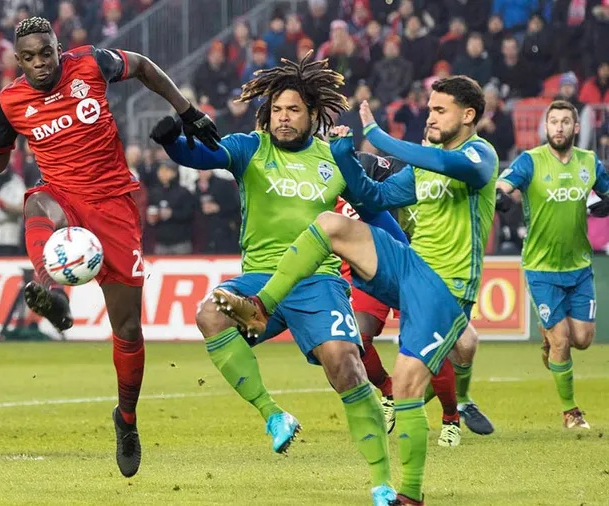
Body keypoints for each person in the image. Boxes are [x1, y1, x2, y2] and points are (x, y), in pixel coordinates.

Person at [0, 17, 220, 478]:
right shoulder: (11, 101)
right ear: (18, 61)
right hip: (62, 194)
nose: (40, 63)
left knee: (128, 329)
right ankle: (49, 290)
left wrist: (187, 111)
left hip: (114, 204)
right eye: (29, 57)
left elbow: (143, 66)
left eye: (46, 53)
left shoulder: (93, 63)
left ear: (58, 49)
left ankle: (127, 419)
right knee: (38, 204)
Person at [214, 76, 499, 505]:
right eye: (430, 109)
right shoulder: (424, 166)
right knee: (330, 225)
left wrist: (379, 137)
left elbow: (458, 167)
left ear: (468, 115)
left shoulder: (480, 154)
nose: (430, 117)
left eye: (440, 111)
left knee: (406, 385)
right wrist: (345, 155)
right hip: (411, 266)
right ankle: (261, 305)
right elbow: (373, 196)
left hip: (447, 286)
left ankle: (410, 494)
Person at [150, 54, 404, 506]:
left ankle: (382, 483)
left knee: (346, 366)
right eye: (277, 110)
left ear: (313, 115)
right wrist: (172, 141)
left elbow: (377, 216)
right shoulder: (250, 148)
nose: (283, 118)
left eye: (294, 110)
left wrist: (409, 267)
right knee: (210, 314)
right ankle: (273, 416)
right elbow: (202, 154)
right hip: (259, 280)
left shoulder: (335, 160)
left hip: (317, 281)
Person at [334, 152, 466, 448]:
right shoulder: (323, 193)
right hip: (366, 274)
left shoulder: (366, 168)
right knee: (356, 339)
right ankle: (389, 390)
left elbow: (392, 170)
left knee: (429, 348)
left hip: (405, 268)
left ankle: (451, 418)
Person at [497, 100, 609, 430]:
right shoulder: (530, 160)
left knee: (582, 339)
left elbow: (607, 189)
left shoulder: (589, 161)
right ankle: (571, 411)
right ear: (545, 127)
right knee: (562, 341)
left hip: (579, 266)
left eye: (565, 121)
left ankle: (549, 337)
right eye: (553, 121)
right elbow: (504, 184)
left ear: (576, 127)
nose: (559, 127)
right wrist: (501, 195)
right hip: (541, 267)